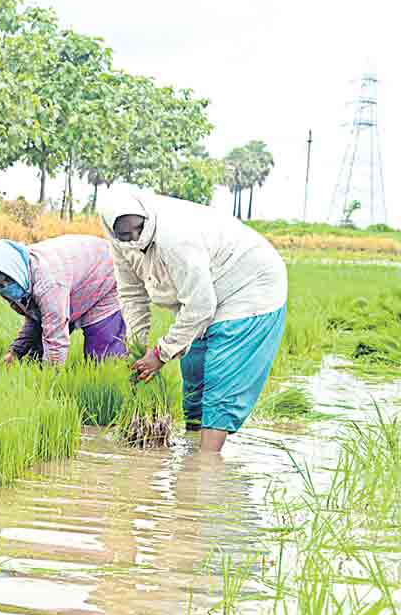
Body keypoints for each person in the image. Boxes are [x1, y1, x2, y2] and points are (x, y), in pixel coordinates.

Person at [98, 185, 288, 452]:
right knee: (194, 374)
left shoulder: (175, 235)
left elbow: (200, 305)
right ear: (111, 230)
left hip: (249, 289)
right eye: (125, 235)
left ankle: (206, 465)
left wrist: (160, 353)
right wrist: (138, 346)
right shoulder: (120, 243)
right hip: (206, 294)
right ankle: (190, 450)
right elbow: (131, 292)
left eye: (139, 229)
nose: (135, 239)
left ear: (147, 217)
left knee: (222, 379)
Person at [0, 235, 127, 366]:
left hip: (108, 274)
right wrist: (15, 352)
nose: (6, 287)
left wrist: (50, 379)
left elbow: (56, 337)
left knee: (104, 356)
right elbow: (36, 318)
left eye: (8, 281)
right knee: (35, 357)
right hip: (75, 283)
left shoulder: (48, 281)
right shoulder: (21, 277)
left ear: (15, 269)